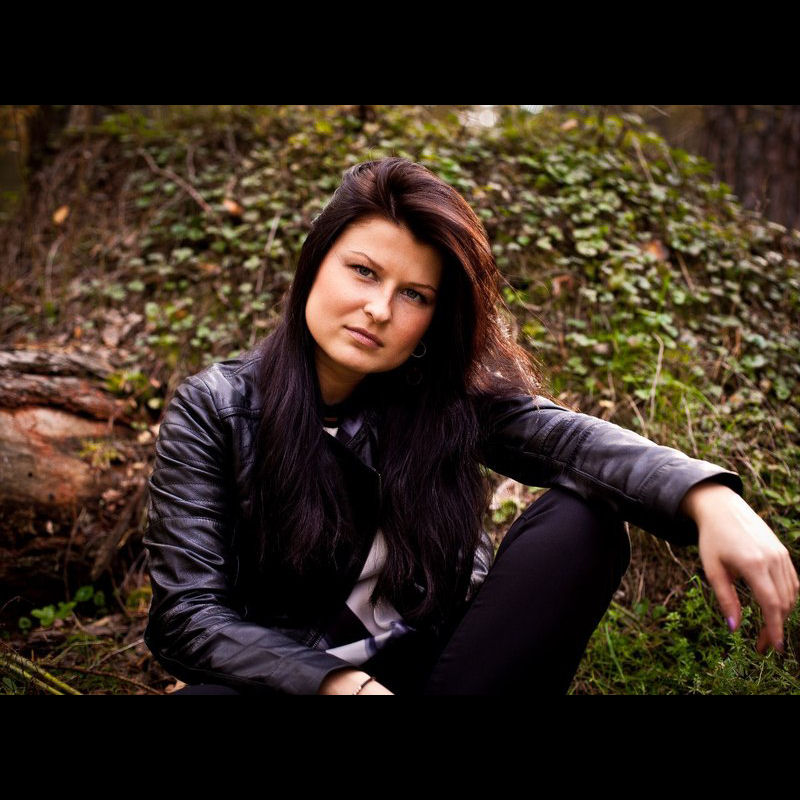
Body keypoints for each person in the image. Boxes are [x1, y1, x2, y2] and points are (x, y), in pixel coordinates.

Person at [143, 157, 799, 695]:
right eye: (364, 271)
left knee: (582, 522)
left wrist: (705, 495)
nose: (378, 309)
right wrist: (339, 685)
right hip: (304, 683)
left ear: (434, 318)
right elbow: (186, 617)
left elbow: (569, 441)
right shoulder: (216, 408)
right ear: (315, 263)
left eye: (414, 295)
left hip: (443, 674)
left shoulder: (439, 397)